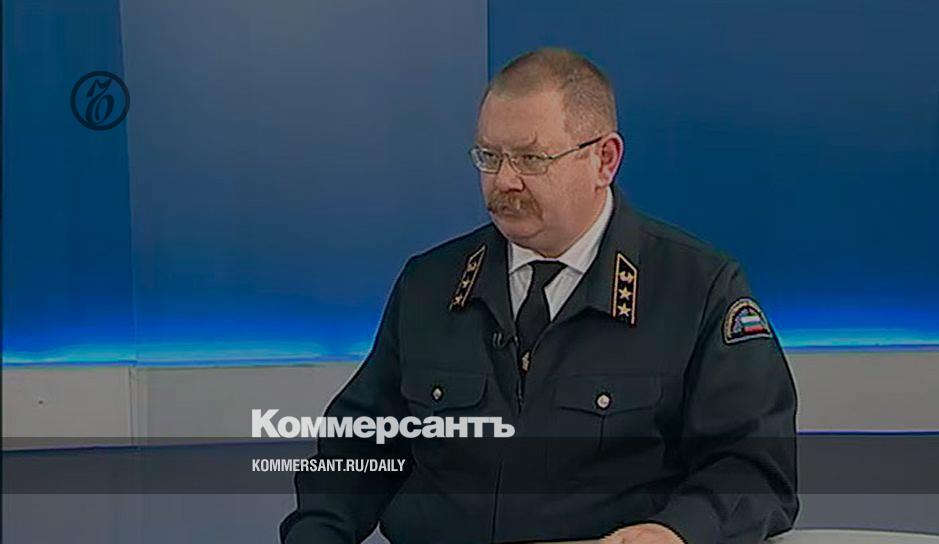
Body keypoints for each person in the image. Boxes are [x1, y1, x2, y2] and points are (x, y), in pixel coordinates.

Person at [281, 47, 798, 544]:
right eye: (490, 157)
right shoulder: (429, 285)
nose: (504, 180)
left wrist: (678, 531)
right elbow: (356, 450)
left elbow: (754, 465)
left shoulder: (697, 289)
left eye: (531, 158)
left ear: (604, 160)